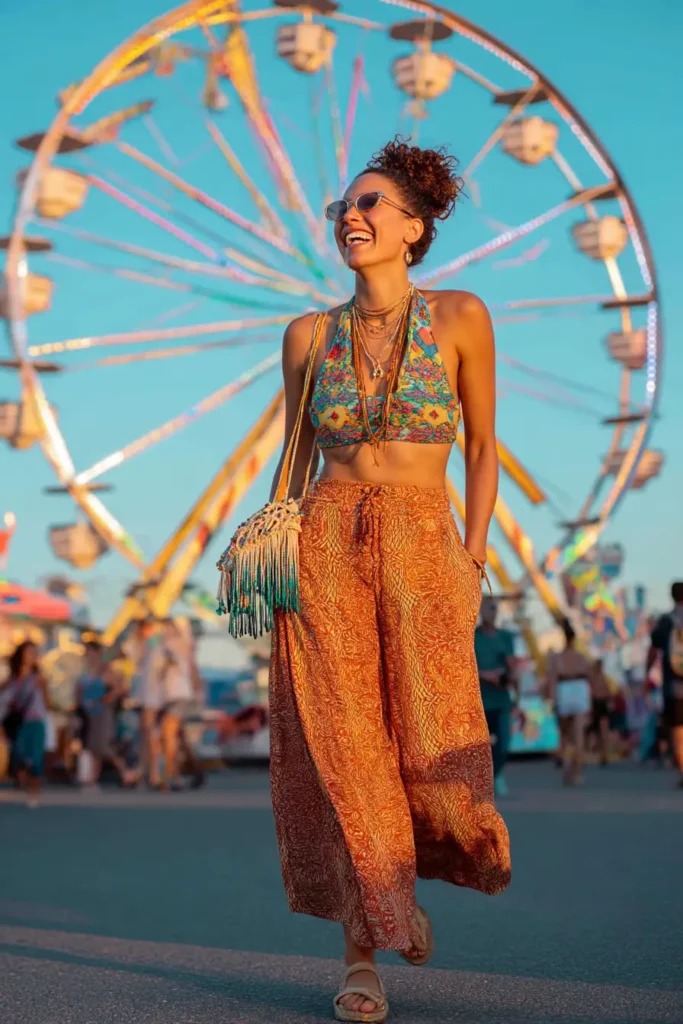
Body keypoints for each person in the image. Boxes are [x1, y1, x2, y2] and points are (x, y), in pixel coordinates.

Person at [267, 138, 510, 1023]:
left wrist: (472, 556)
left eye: (371, 206)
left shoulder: (460, 317)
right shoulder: (306, 335)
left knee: (429, 735)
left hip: (421, 540)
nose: (351, 218)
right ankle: (362, 950)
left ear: (415, 227)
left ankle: (400, 885)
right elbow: (292, 463)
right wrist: (275, 572)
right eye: (343, 208)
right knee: (341, 748)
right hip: (323, 542)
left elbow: (483, 450)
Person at [75, 641, 137, 787]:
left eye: (91, 652)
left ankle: (126, 772)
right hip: (88, 714)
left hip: (102, 713)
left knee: (103, 746)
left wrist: (108, 697)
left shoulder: (106, 671)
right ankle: (93, 778)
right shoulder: (86, 672)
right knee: (92, 747)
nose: (89, 655)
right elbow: (79, 692)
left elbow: (121, 690)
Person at [474, 596, 517, 797]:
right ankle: (483, 783)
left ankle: (496, 775)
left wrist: (510, 676)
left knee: (504, 745)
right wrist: (485, 675)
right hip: (480, 701)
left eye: (495, 608)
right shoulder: (472, 637)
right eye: (489, 608)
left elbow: (513, 667)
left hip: (501, 701)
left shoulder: (506, 637)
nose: (493, 611)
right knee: (479, 748)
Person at [157, 619, 204, 791]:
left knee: (168, 734)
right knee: (176, 736)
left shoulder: (169, 644)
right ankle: (183, 774)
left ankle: (169, 776)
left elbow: (166, 667)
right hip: (179, 694)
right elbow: (193, 669)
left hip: (176, 694)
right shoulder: (184, 645)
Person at [0, 641, 48, 807]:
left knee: (35, 759)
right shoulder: (12, 679)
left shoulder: (38, 678)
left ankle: (33, 793)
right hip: (17, 723)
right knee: (18, 754)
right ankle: (20, 780)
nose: (32, 656)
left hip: (36, 721)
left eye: (34, 653)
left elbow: (47, 703)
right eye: (29, 652)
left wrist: (42, 688)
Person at [546, 620, 594, 786]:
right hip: (580, 689)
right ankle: (577, 772)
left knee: (564, 735)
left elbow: (552, 679)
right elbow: (590, 677)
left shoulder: (557, 658)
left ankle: (567, 770)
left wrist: (552, 700)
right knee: (579, 735)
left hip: (564, 688)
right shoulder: (581, 657)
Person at [648, 581, 683, 788]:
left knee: (678, 730)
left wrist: (647, 675)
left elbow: (653, 650)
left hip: (675, 686)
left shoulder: (667, 621)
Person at [589, 657, 612, 766]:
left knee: (602, 731)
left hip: (600, 704)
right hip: (597, 704)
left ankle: (603, 754)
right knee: (598, 731)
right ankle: (601, 753)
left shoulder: (601, 678)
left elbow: (608, 692)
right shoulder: (595, 678)